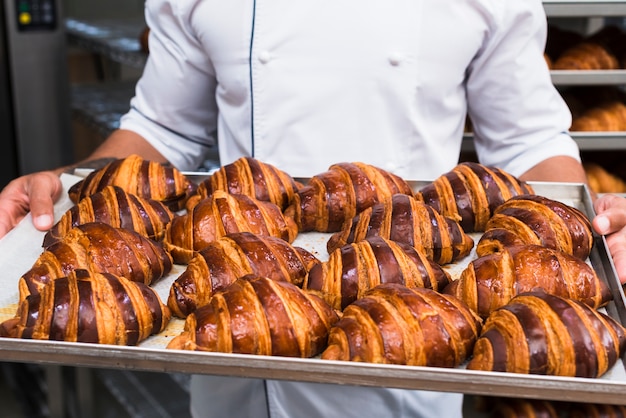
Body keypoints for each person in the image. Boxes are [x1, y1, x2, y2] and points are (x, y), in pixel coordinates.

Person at [1, 0, 626, 416]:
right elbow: (162, 127)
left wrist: (588, 231)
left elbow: (528, 140)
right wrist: (66, 182)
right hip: (230, 339)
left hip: (414, 349)